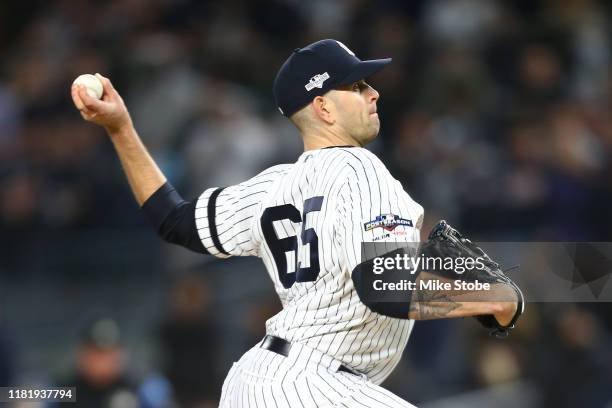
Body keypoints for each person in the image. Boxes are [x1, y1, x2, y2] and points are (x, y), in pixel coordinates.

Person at [71, 39, 520, 407]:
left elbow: (174, 220)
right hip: (313, 385)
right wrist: (493, 297)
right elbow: (384, 286)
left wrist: (121, 128)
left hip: (256, 384)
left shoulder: (274, 186)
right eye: (357, 85)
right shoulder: (362, 169)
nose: (373, 92)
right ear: (323, 107)